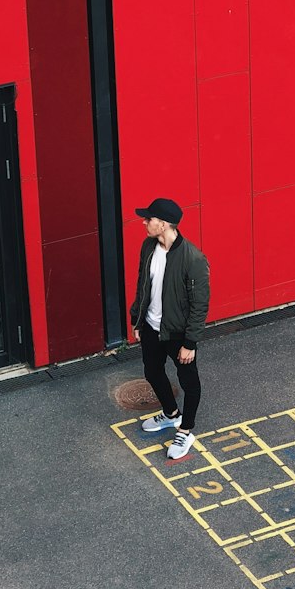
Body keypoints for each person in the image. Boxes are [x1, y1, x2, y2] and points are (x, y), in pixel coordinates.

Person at [130, 197, 210, 461]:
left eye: (148, 219)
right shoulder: (148, 247)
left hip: (178, 333)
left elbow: (200, 305)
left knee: (189, 381)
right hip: (152, 327)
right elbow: (143, 284)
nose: (144, 222)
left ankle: (186, 431)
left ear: (163, 224)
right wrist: (138, 319)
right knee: (152, 372)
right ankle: (171, 415)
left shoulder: (193, 258)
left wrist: (191, 343)